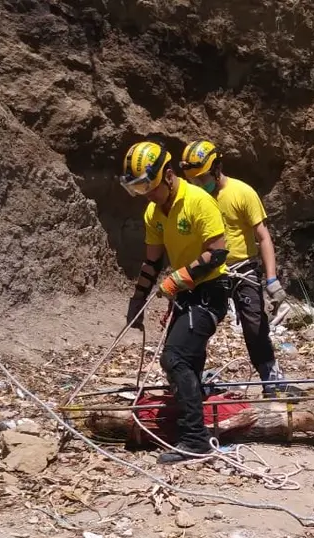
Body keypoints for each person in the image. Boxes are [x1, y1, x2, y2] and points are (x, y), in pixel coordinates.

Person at [120, 140, 230, 464]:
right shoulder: (153, 212)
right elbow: (152, 262)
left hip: (210, 291)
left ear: (168, 175)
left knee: (174, 357)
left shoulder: (198, 201)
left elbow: (217, 253)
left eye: (149, 187)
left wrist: (177, 279)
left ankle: (195, 439)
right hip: (186, 294)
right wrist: (137, 299)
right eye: (140, 189)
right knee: (188, 361)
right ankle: (193, 417)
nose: (147, 195)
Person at [180, 140, 294, 396]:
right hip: (210, 269)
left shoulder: (242, 193)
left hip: (242, 269)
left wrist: (272, 278)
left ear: (217, 168)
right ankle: (192, 380)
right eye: (193, 180)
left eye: (202, 178)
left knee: (255, 323)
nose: (198, 183)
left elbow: (263, 237)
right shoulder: (194, 199)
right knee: (197, 324)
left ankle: (271, 377)